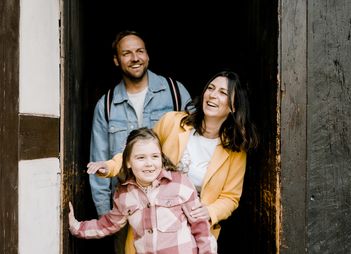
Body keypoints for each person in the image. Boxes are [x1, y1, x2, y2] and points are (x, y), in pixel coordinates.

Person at [87, 69, 259, 245]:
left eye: (223, 93)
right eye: (211, 88)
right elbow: (138, 151)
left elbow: (230, 197)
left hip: (194, 235)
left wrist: (210, 211)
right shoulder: (172, 122)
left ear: (234, 106)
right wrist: (110, 167)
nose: (213, 95)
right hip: (150, 228)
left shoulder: (235, 150)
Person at [89, 30, 191, 254]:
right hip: (126, 208)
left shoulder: (175, 92)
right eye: (126, 53)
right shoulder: (106, 106)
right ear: (117, 60)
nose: (135, 58)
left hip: (171, 206)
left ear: (147, 56)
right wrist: (106, 215)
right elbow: (99, 162)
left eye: (139, 51)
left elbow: (195, 143)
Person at [70, 127, 217, 254]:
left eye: (155, 156)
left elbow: (202, 229)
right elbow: (107, 224)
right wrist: (77, 227)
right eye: (141, 157)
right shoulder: (124, 195)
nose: (149, 164)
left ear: (161, 158)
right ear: (128, 162)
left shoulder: (180, 183)